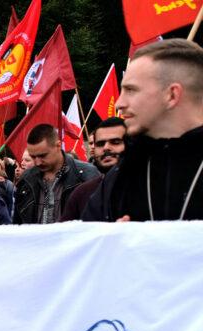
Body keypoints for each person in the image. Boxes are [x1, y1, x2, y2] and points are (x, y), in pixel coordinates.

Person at [84, 39, 203, 221]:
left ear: (172, 95)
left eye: (131, 90)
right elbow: (88, 241)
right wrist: (111, 242)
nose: (119, 103)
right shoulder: (120, 176)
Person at [14, 123, 99, 224]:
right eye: (33, 157)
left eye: (42, 156)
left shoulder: (87, 175)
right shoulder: (27, 178)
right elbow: (17, 223)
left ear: (58, 146)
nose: (37, 162)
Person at [61, 117, 126, 221]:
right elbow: (64, 234)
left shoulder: (149, 187)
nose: (106, 148)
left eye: (115, 142)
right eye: (100, 144)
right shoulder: (82, 193)